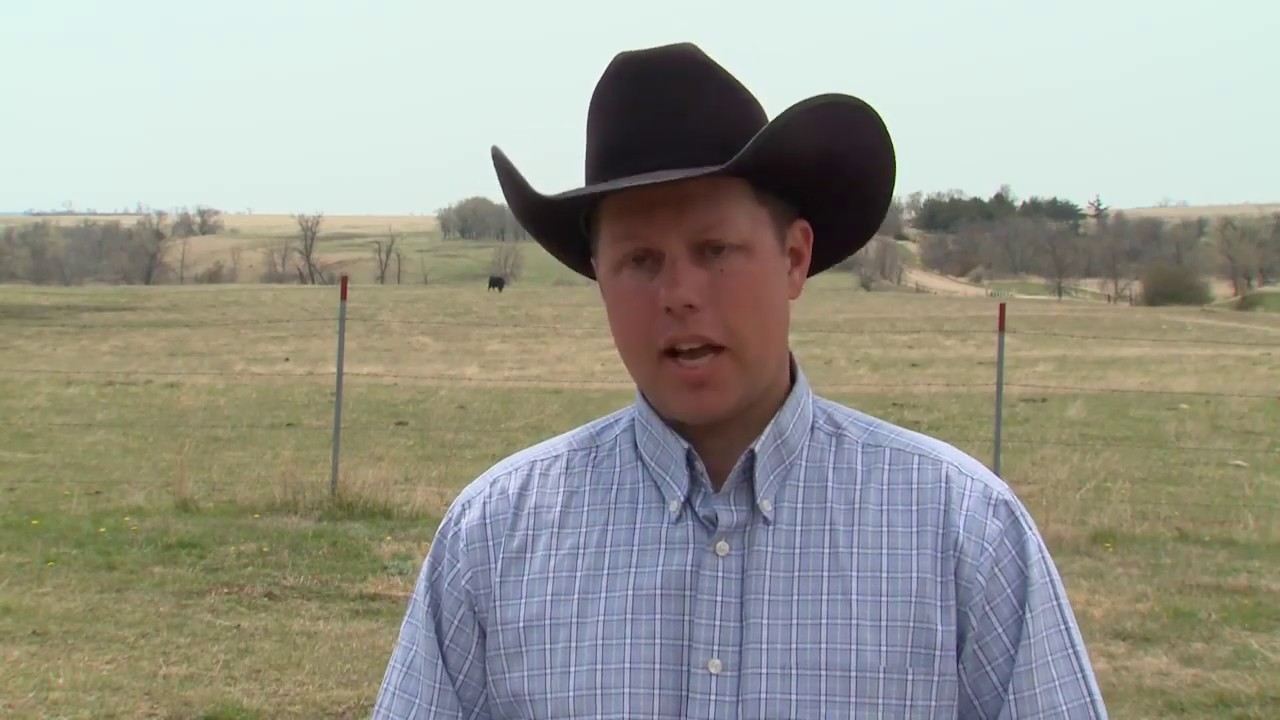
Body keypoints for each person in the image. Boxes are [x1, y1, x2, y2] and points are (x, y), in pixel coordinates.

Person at [371, 42, 1108, 719]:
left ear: (793, 258)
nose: (679, 293)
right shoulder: (494, 541)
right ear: (599, 276)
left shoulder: (963, 535)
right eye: (640, 261)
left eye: (715, 249)